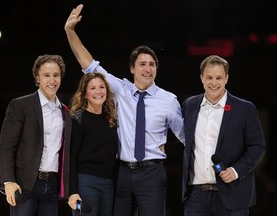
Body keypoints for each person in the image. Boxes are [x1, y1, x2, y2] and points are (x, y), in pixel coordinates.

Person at [64, 4, 185, 216]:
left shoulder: (169, 100)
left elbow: (185, 136)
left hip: (152, 173)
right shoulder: (120, 89)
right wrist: (70, 32)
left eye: (151, 64)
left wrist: (169, 148)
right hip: (121, 174)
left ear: (157, 68)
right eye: (141, 64)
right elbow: (89, 65)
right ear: (132, 69)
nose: (147, 69)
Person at [181, 55, 266, 216]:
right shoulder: (190, 105)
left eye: (219, 77)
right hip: (196, 197)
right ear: (201, 78)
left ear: (226, 78)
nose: (214, 83)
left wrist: (236, 170)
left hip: (232, 195)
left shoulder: (244, 109)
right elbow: (181, 136)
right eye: (209, 77)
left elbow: (257, 146)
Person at [0, 54, 72, 216]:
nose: (52, 80)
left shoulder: (65, 112)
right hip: (25, 186)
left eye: (56, 75)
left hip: (52, 187)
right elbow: (6, 146)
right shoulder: (20, 105)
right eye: (47, 75)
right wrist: (8, 181)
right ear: (37, 78)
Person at [67, 72, 118, 216]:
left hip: (108, 184)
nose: (98, 91)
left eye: (101, 87)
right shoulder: (78, 119)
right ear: (84, 94)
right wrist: (73, 192)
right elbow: (71, 158)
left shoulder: (111, 120)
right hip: (85, 182)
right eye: (93, 88)